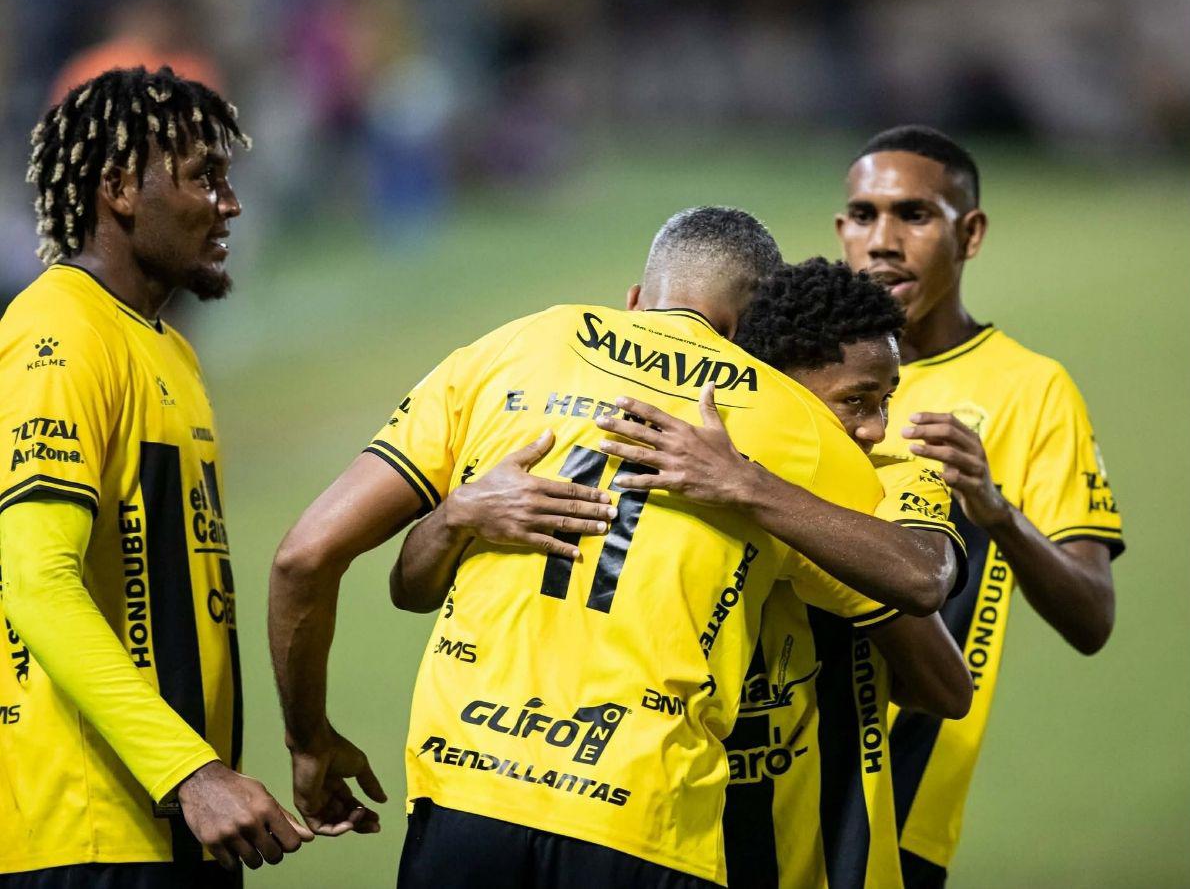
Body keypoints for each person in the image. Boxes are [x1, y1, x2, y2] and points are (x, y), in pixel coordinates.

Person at [269, 208, 947, 888]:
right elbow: (925, 599)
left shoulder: (511, 348)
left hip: (465, 798)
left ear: (637, 298)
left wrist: (308, 740)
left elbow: (309, 558)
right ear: (749, 334)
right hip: (645, 817)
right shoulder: (791, 422)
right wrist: (746, 484)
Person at [0, 66, 312, 888]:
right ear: (117, 188)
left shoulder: (164, 346)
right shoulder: (58, 333)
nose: (229, 204)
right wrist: (189, 770)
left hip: (179, 826)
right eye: (204, 178)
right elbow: (35, 582)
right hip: (86, 829)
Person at [835, 125, 1125, 887]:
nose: (884, 241)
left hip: (904, 801)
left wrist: (998, 513)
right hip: (756, 777)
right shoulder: (801, 364)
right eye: (863, 216)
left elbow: (1092, 616)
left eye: (915, 215)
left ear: (972, 232)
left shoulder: (1031, 390)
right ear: (841, 230)